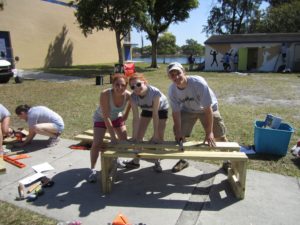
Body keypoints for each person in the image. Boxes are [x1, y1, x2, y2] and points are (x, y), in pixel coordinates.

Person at [167, 62, 227, 173]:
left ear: (184, 72)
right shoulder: (172, 90)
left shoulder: (198, 83)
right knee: (178, 134)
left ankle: (227, 161)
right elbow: (176, 112)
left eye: (178, 73)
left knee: (219, 135)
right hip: (188, 110)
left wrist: (209, 132)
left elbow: (207, 108)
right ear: (169, 77)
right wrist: (179, 131)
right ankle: (183, 159)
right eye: (172, 75)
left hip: (208, 108)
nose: (176, 77)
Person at [89, 74, 131, 183]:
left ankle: (117, 160)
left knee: (123, 141)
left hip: (117, 117)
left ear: (126, 86)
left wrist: (125, 116)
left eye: (123, 85)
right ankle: (92, 169)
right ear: (113, 84)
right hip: (101, 118)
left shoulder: (128, 95)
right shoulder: (105, 94)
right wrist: (113, 137)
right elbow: (106, 116)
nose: (120, 87)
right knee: (97, 142)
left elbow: (131, 106)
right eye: (117, 84)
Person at [123, 73, 169, 173]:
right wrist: (135, 136)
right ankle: (136, 161)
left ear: (145, 82)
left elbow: (155, 115)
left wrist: (155, 134)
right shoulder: (133, 97)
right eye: (133, 87)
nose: (136, 88)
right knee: (139, 136)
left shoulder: (154, 92)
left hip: (161, 109)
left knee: (158, 137)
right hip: (147, 108)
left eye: (138, 84)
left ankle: (157, 162)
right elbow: (135, 118)